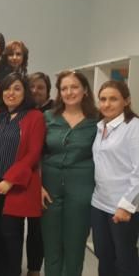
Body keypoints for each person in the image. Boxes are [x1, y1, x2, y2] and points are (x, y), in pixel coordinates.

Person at [0, 72, 45, 276]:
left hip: (14, 187)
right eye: (7, 88)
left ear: (25, 93)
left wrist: (9, 180)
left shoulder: (35, 117)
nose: (10, 93)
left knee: (10, 237)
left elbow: (33, 153)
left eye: (17, 88)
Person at [40, 71, 98, 276]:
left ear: (85, 90)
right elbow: (35, 153)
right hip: (49, 188)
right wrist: (38, 185)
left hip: (82, 187)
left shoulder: (97, 120)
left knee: (75, 244)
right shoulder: (48, 118)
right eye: (64, 88)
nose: (69, 92)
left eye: (74, 87)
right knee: (52, 244)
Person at [91, 80, 139, 276]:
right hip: (99, 203)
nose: (106, 104)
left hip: (123, 206)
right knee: (103, 255)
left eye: (113, 99)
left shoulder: (134, 127)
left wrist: (126, 206)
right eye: (103, 99)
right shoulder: (101, 125)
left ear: (126, 101)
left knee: (125, 258)